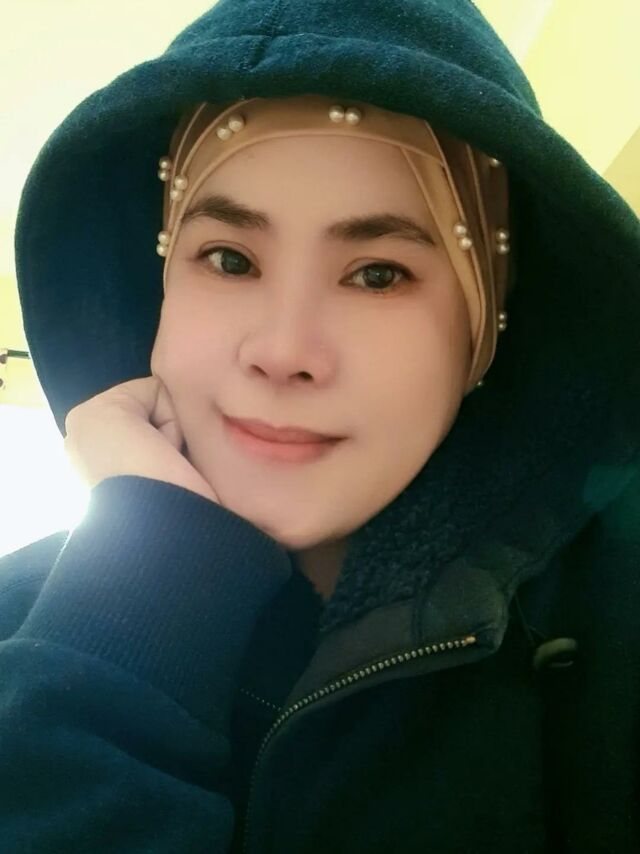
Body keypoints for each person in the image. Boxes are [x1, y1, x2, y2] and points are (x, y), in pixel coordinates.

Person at [1, 0, 639, 852]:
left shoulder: (613, 621)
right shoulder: (19, 619)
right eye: (230, 259)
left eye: (377, 274)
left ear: (485, 330)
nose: (283, 351)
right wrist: (145, 581)